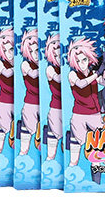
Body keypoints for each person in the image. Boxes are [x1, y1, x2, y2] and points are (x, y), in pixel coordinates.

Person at [66, 38, 103, 167]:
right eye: (78, 61)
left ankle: (96, 172)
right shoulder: (72, 74)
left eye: (84, 60)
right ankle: (72, 170)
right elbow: (81, 84)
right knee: (76, 150)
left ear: (89, 59)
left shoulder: (93, 73)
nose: (81, 64)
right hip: (79, 115)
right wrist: (97, 74)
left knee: (99, 148)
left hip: (95, 114)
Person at [18, 29, 40, 156]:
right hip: (30, 104)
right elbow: (33, 74)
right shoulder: (25, 65)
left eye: (37, 50)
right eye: (31, 51)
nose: (34, 54)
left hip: (48, 104)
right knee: (27, 133)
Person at [0, 28, 14, 154]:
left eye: (11, 49)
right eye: (5, 50)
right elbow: (7, 73)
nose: (8, 53)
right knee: (2, 132)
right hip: (4, 103)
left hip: (21, 102)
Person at [43, 33, 62, 162]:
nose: (58, 57)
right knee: (53, 138)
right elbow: (59, 79)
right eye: (55, 55)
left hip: (77, 110)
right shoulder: (50, 69)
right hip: (55, 108)